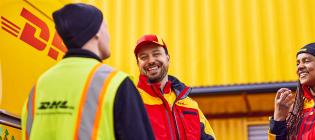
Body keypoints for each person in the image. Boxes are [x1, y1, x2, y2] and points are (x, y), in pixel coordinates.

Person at [21, 3, 154, 140]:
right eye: (106, 29)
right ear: (97, 32)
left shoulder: (39, 86)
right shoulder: (115, 82)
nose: (109, 36)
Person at [133, 34, 216, 140]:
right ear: (138, 64)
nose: (151, 61)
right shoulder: (133, 102)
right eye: (144, 57)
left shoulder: (190, 105)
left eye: (156, 54)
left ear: (168, 58)